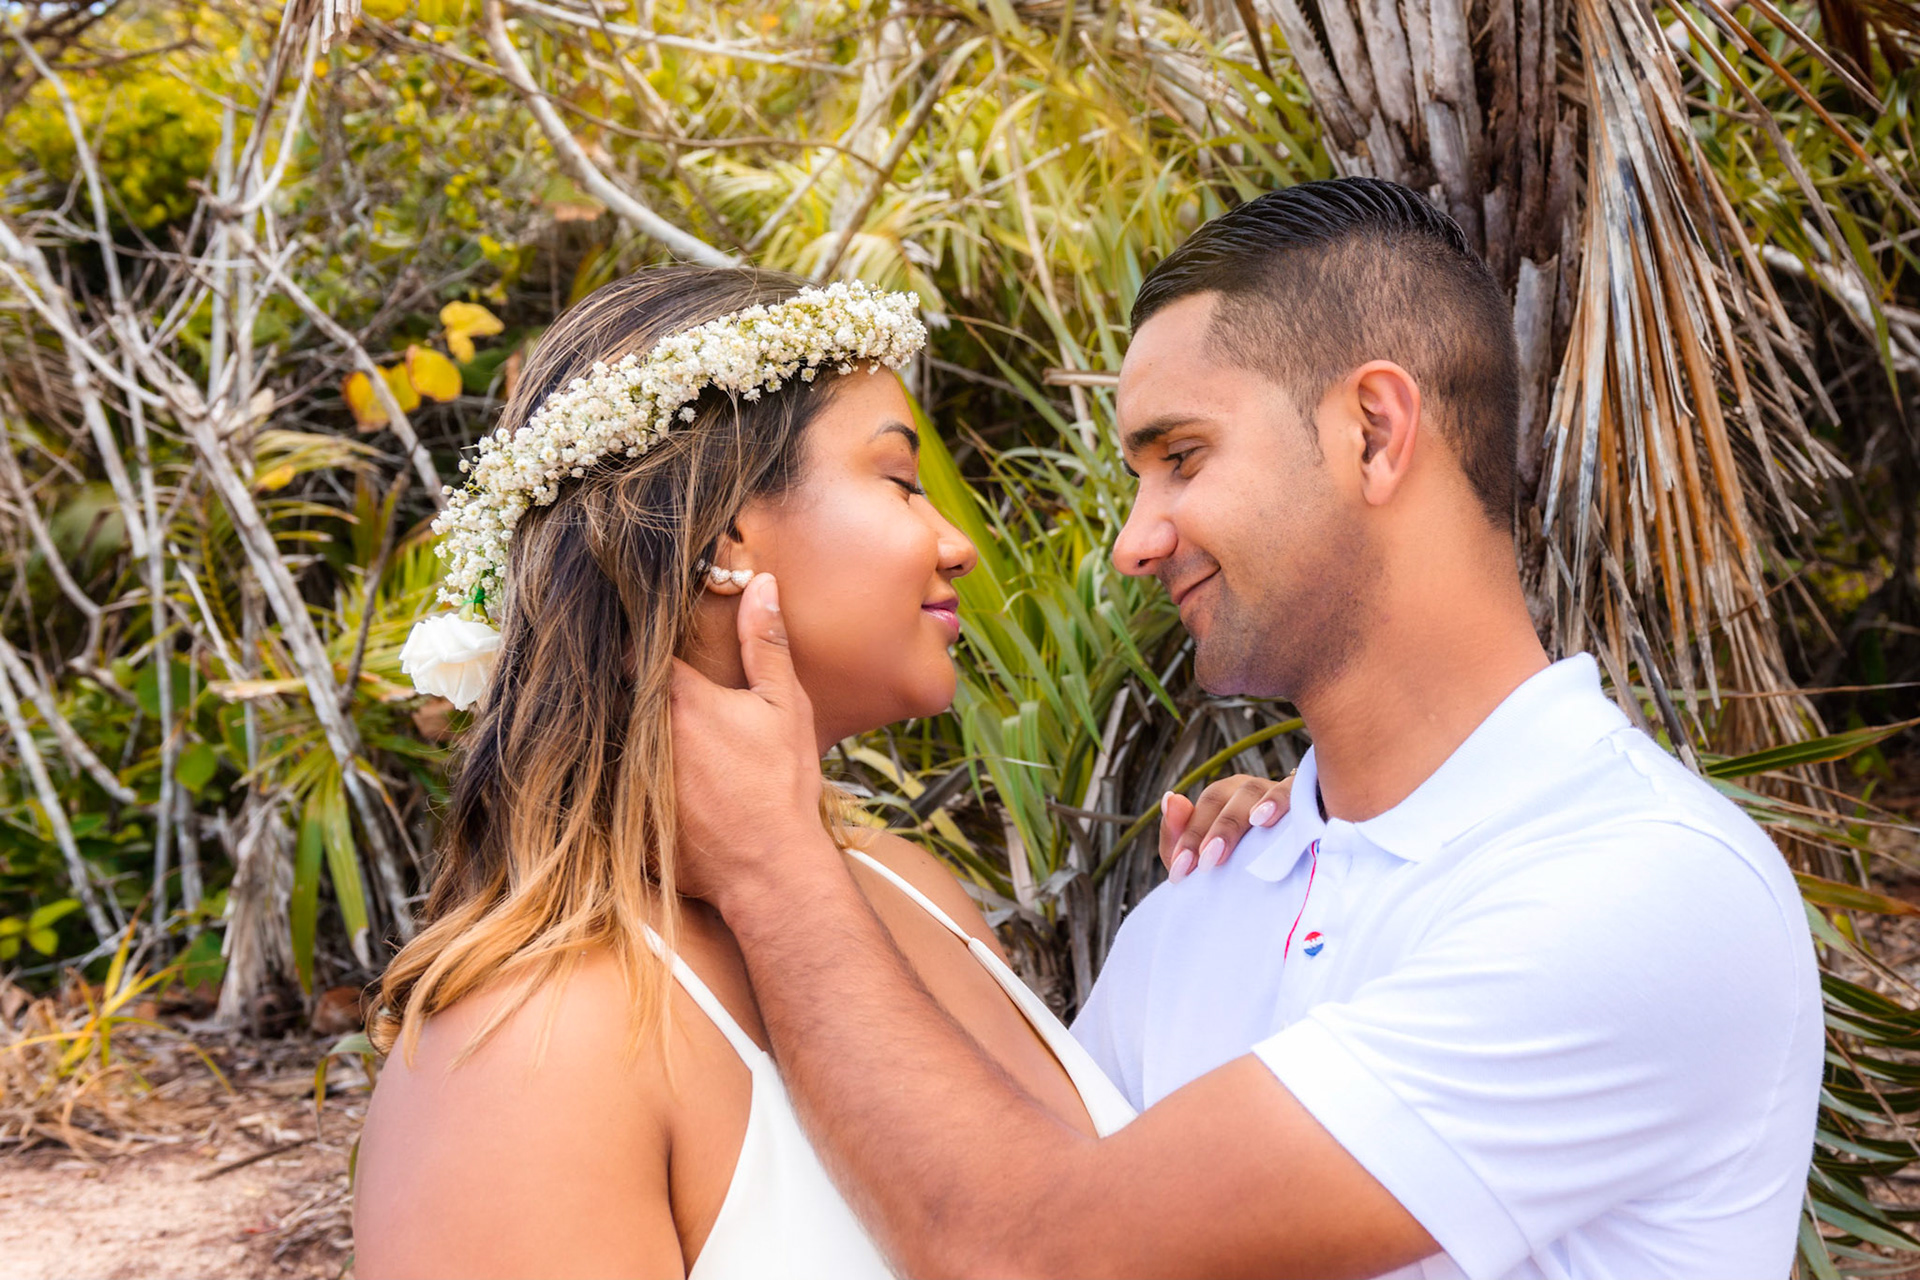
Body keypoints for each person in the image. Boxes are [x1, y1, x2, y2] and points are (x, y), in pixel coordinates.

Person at [667, 178, 1824, 1278]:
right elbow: (1008, 1164)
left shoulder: (1644, 888)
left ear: (1373, 430)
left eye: (1182, 457)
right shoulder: (1211, 895)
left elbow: (1031, 1249)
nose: (1136, 539)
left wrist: (776, 868)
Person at [353, 265, 1248, 1278]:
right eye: (902, 482)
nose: (958, 545)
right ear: (725, 533)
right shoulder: (530, 1046)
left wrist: (1260, 893)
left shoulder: (913, 888)